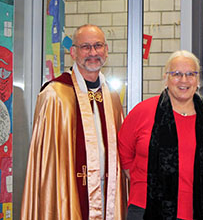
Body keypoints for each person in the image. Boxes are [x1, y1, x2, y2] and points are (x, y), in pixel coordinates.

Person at [21, 24, 126, 220]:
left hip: (107, 195)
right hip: (67, 198)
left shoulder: (111, 96)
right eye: (85, 47)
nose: (93, 52)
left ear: (106, 50)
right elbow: (46, 162)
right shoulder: (55, 94)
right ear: (73, 52)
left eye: (98, 46)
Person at [118, 50, 203, 220]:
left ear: (198, 80)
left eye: (190, 74)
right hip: (145, 209)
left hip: (195, 212)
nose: (184, 80)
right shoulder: (143, 112)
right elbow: (125, 156)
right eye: (176, 74)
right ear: (166, 78)